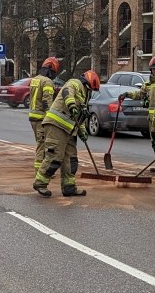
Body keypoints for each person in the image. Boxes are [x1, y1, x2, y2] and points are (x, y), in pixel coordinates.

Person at [33, 70, 100, 198]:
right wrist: (71, 105)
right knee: (55, 156)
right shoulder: (74, 83)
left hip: (69, 130)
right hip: (56, 125)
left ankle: (69, 187)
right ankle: (40, 183)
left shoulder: (85, 96)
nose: (90, 92)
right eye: (90, 89)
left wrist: (83, 132)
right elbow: (66, 92)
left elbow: (78, 118)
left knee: (71, 159)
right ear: (87, 83)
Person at [119, 55, 155, 148]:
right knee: (154, 142)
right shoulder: (149, 81)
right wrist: (127, 94)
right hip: (152, 118)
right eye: (153, 69)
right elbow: (140, 94)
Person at [27, 57, 60, 172]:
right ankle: (40, 171)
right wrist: (51, 118)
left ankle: (42, 169)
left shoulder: (35, 79)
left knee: (41, 143)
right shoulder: (47, 82)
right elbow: (47, 101)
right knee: (42, 145)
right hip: (41, 118)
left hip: (33, 117)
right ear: (50, 70)